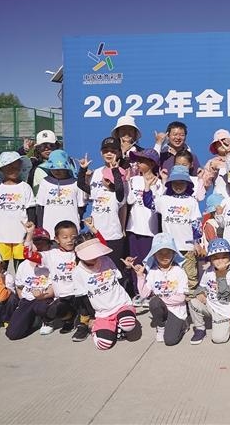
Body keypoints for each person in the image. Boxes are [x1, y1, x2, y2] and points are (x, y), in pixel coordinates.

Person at [72, 235, 140, 350]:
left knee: (128, 324)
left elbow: (120, 279)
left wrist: (127, 268)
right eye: (89, 255)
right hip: (102, 313)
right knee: (103, 344)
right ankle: (102, 329)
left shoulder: (106, 260)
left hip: (121, 304)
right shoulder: (78, 272)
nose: (94, 257)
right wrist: (91, 318)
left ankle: (119, 324)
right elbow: (83, 299)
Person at [29, 220, 92, 341]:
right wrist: (29, 234)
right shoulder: (51, 255)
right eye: (65, 237)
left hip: (82, 294)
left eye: (73, 236)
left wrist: (93, 230)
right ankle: (69, 318)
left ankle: (83, 325)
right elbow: (29, 255)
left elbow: (101, 248)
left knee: (84, 303)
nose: (70, 240)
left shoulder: (80, 251)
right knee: (52, 311)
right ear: (56, 239)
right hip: (64, 296)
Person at [77, 138, 127, 284]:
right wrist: (83, 170)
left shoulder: (117, 194)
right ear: (101, 152)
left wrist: (115, 170)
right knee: (98, 269)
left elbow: (120, 190)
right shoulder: (97, 183)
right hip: (96, 233)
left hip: (113, 235)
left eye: (113, 151)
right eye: (106, 151)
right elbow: (82, 185)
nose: (109, 153)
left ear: (119, 152)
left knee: (116, 270)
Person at [128, 232, 189, 346]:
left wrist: (162, 299)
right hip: (163, 309)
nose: (164, 256)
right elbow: (144, 294)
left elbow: (181, 298)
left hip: (176, 311)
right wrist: (140, 276)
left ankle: (182, 324)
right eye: (160, 253)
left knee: (170, 341)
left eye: (168, 252)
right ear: (154, 255)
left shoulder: (179, 272)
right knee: (154, 302)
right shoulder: (153, 272)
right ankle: (161, 326)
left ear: (174, 253)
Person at [0, 151, 36, 271]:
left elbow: (31, 208)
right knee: (1, 269)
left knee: (22, 268)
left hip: (21, 236)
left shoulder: (25, 187)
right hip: (1, 237)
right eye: (9, 167)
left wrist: (31, 226)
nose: (13, 170)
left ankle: (20, 284)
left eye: (16, 167)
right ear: (1, 169)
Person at [189, 238, 230, 345]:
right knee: (193, 302)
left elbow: (225, 297)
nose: (220, 261)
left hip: (224, 311)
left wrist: (221, 274)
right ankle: (200, 329)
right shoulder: (209, 270)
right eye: (215, 258)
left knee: (218, 339)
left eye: (224, 257)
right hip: (210, 305)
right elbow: (201, 286)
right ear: (210, 259)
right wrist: (200, 293)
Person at [125, 149, 162, 294]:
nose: (138, 163)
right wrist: (127, 182)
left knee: (148, 262)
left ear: (152, 164)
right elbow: (129, 200)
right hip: (133, 227)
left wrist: (151, 188)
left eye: (142, 161)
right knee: (134, 261)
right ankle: (138, 292)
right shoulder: (134, 180)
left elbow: (157, 206)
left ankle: (148, 291)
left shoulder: (159, 183)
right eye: (137, 161)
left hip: (150, 229)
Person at [5, 243, 55, 340]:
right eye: (35, 243)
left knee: (41, 307)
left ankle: (47, 321)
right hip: (28, 300)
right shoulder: (23, 265)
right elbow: (19, 287)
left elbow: (54, 288)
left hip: (46, 298)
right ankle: (33, 319)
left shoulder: (51, 263)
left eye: (42, 242)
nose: (39, 246)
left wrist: (42, 296)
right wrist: (22, 301)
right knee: (12, 334)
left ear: (49, 245)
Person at [35, 150, 86, 238]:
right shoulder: (45, 182)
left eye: (60, 169)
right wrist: (40, 228)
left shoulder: (76, 183)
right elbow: (40, 207)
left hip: (71, 231)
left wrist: (79, 222)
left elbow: (81, 207)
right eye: (54, 168)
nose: (57, 171)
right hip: (49, 230)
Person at [202, 129, 230, 200]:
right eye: (219, 141)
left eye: (226, 141)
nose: (222, 143)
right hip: (218, 201)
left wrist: (229, 154)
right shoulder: (211, 162)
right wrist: (212, 171)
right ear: (215, 146)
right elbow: (205, 185)